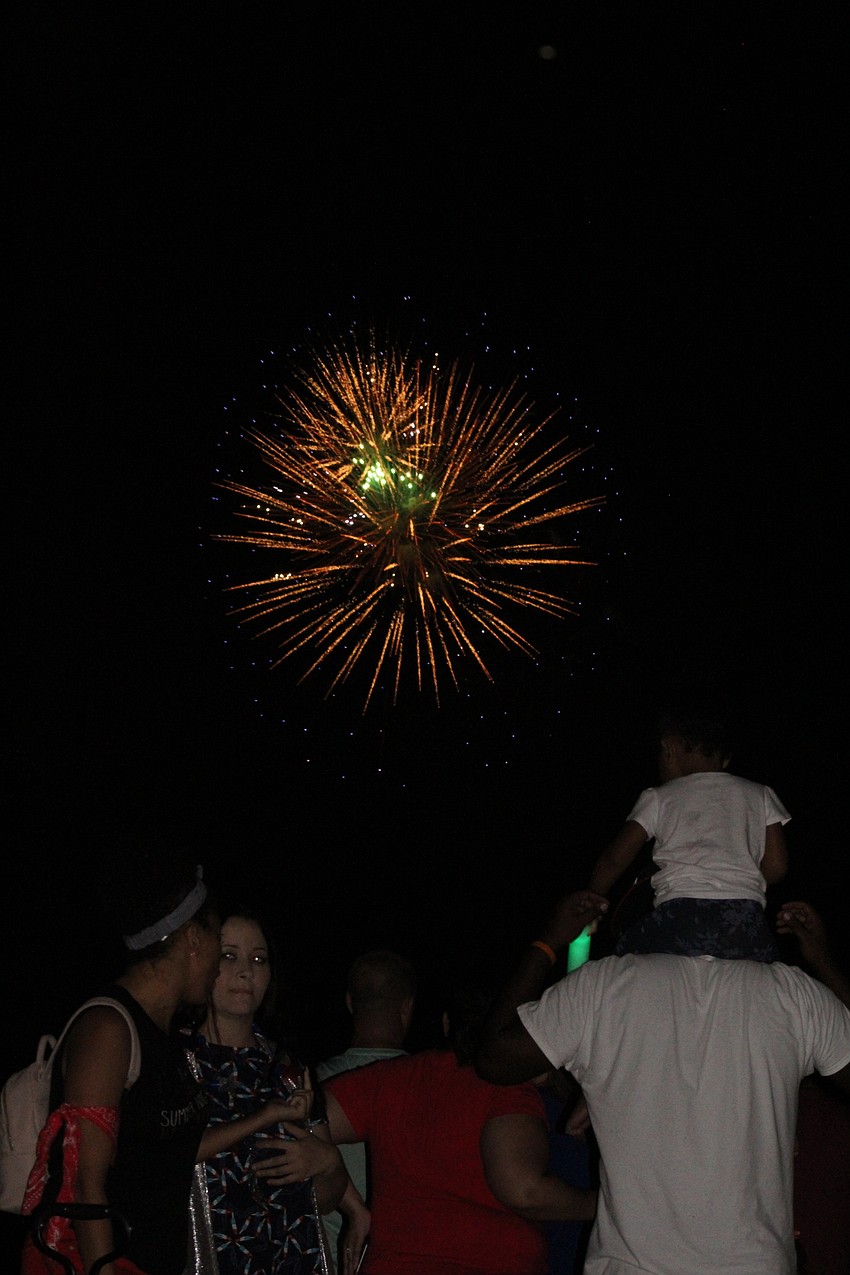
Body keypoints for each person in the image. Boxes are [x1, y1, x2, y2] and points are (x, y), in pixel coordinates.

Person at [475, 890, 850, 1275]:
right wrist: (822, 961)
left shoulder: (603, 986)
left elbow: (495, 1059)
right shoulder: (794, 995)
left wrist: (548, 942)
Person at [274, 974, 596, 1275]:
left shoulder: (394, 1077)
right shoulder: (509, 1088)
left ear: (446, 1025)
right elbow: (523, 1190)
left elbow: (305, 1110)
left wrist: (351, 1200)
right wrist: (602, 1204)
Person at [20, 852, 223, 1275]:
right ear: (193, 939)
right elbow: (84, 1184)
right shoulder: (109, 1028)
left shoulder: (166, 1035)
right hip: (103, 1264)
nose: (219, 964)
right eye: (219, 942)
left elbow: (163, 1155)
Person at [182, 907, 353, 1275]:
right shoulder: (176, 1063)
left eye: (258, 959)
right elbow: (163, 1160)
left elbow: (323, 1200)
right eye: (230, 956)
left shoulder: (287, 1069)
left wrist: (327, 1164)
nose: (246, 971)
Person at [588, 706, 790, 960]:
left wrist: (592, 898)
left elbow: (615, 859)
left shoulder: (658, 797)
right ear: (725, 759)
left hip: (679, 915)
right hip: (744, 919)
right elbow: (777, 866)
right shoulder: (761, 793)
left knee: (624, 961)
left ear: (668, 748)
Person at [315, 950, 416, 1273]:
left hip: (328, 1262)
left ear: (350, 1002)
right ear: (406, 1008)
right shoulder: (430, 1087)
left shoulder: (310, 1087)